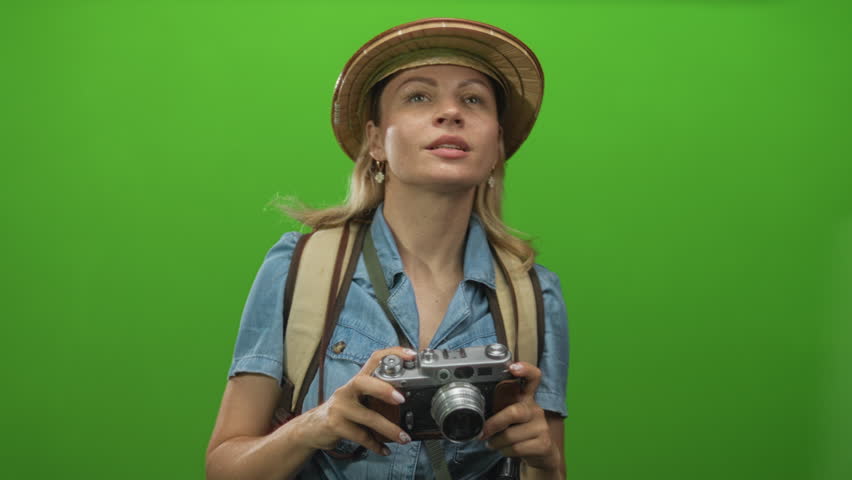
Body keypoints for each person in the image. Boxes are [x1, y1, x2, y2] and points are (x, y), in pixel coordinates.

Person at [205, 18, 569, 480]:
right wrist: (316, 424)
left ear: (496, 144)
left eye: (473, 99)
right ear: (376, 140)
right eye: (419, 96)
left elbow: (547, 467)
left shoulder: (534, 297)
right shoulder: (299, 268)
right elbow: (223, 469)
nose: (451, 112)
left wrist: (547, 461)